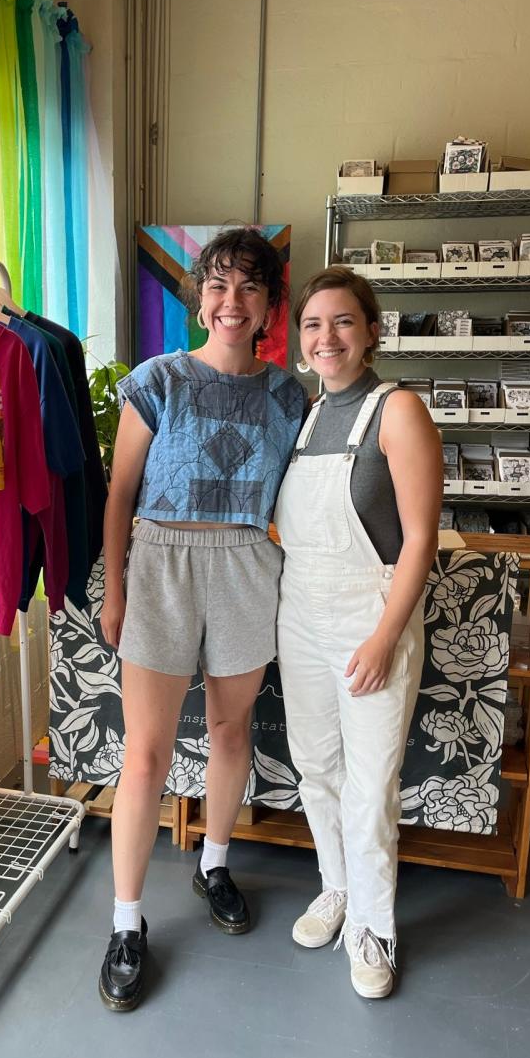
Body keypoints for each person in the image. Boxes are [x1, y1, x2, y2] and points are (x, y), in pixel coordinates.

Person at [98, 226, 307, 1011]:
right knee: (145, 755)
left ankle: (214, 862)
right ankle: (126, 923)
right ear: (199, 298)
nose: (231, 300)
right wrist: (116, 590)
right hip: (161, 564)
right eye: (218, 285)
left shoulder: (290, 395)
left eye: (249, 287)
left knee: (229, 733)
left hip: (248, 563)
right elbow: (120, 494)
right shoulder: (157, 381)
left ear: (267, 306)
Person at [274, 266, 441, 999]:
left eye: (342, 321)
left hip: (369, 615)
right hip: (300, 613)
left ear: (372, 331)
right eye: (313, 324)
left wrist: (383, 638)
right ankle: (335, 888)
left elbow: (420, 541)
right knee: (316, 768)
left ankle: (375, 928)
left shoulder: (397, 410)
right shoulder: (306, 415)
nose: (326, 337)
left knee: (370, 787)